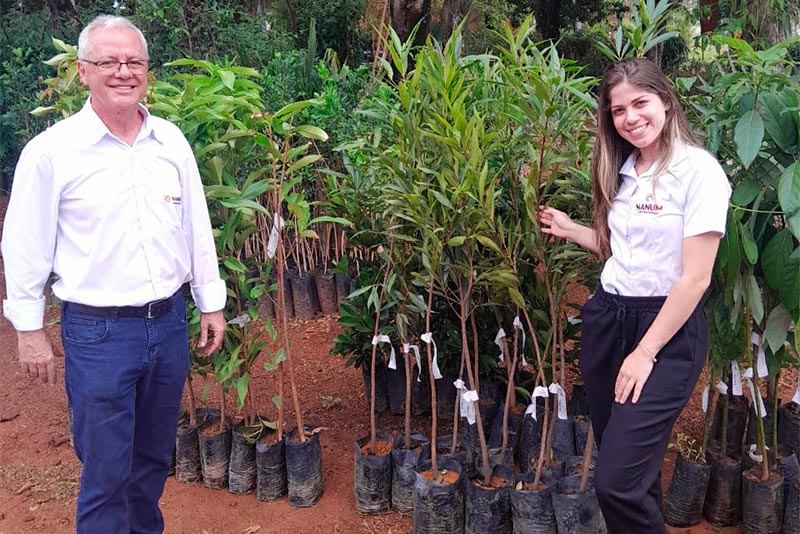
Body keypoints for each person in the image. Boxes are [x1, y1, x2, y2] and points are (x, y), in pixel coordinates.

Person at [2, 15, 227, 534]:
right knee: (105, 473)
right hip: (98, 333)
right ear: (83, 71)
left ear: (147, 70)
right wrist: (29, 330)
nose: (123, 72)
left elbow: (195, 224)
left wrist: (209, 300)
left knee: (151, 462)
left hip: (168, 325)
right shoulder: (52, 152)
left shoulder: (169, 142)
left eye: (134, 62)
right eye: (109, 62)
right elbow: (24, 244)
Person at [539, 57, 731, 533]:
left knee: (617, 482)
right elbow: (624, 249)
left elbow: (695, 278)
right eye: (618, 109)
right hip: (609, 319)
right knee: (634, 473)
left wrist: (646, 352)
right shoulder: (623, 170)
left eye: (640, 103)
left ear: (665, 102)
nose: (630, 117)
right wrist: (573, 231)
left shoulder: (698, 173)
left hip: (665, 332)